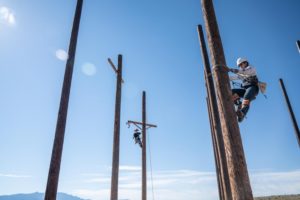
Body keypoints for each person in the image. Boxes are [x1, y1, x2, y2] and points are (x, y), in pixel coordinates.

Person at [229, 57, 259, 122]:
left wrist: (232, 70)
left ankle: (242, 113)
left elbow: (245, 72)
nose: (240, 66)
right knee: (232, 91)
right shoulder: (242, 73)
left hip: (253, 88)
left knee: (246, 97)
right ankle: (238, 104)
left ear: (245, 63)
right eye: (239, 66)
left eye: (241, 65)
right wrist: (224, 75)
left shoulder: (251, 68)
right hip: (246, 90)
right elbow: (234, 77)